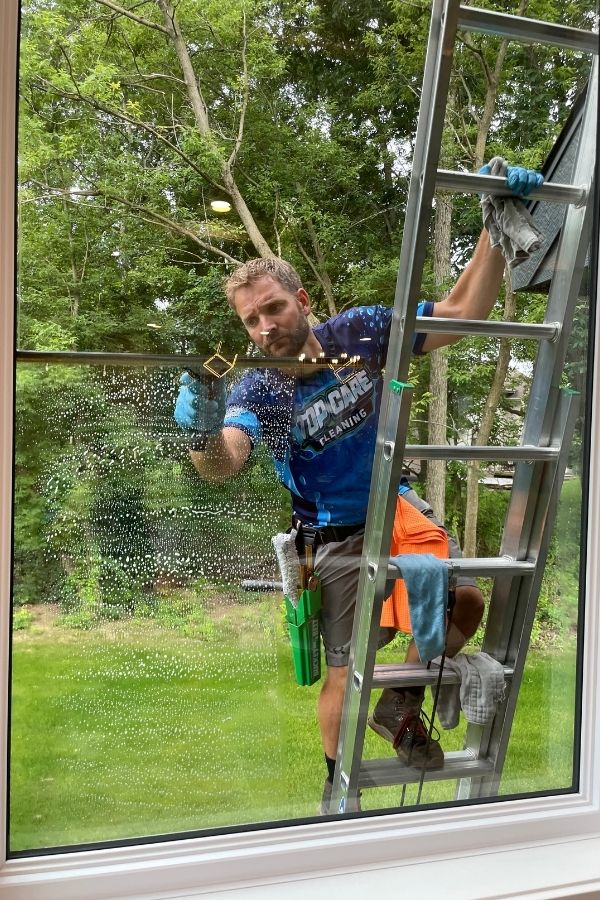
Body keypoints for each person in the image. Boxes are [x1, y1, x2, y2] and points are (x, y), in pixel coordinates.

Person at [174, 165, 543, 814]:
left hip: (393, 506)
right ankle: (335, 790)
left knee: (464, 604)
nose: (264, 327)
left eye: (274, 308)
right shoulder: (258, 387)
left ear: (304, 300)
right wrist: (203, 436)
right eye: (251, 320)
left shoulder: (364, 335)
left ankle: (401, 703)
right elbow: (226, 461)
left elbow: (463, 313)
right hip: (334, 535)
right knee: (349, 668)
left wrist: (494, 220)